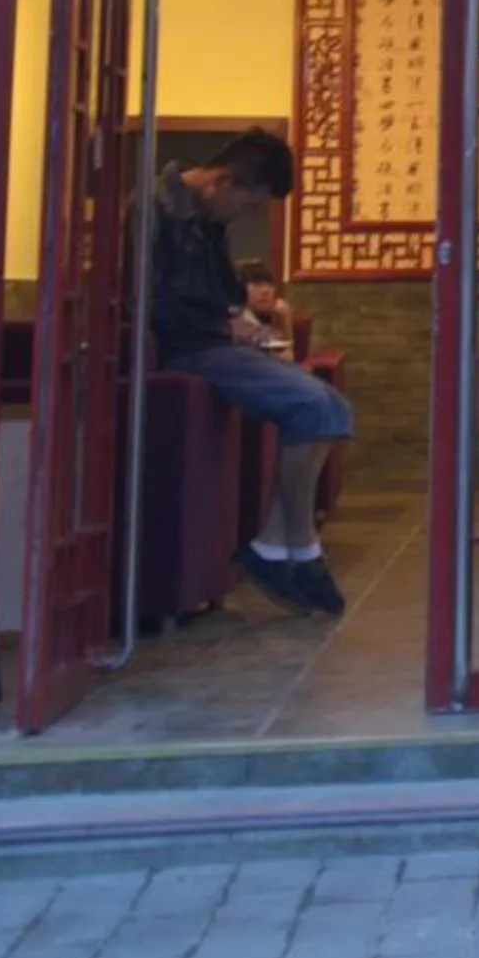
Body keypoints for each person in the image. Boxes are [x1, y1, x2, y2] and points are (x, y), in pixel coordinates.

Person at [139, 131, 351, 616]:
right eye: (248, 202)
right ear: (223, 180)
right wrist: (225, 324)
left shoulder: (206, 213)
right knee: (315, 404)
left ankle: (279, 545)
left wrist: (239, 319)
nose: (244, 214)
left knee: (332, 406)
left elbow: (218, 289)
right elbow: (151, 298)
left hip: (214, 340)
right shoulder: (155, 206)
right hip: (186, 348)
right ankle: (298, 546)